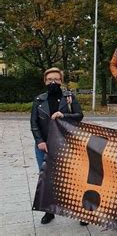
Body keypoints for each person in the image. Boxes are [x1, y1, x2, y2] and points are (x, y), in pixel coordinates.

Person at [30, 67, 84, 225]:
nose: (53, 82)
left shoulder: (69, 97)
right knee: (47, 179)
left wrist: (64, 115)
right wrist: (39, 140)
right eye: (49, 79)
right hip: (44, 145)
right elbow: (34, 123)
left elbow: (79, 116)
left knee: (74, 178)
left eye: (56, 79)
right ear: (45, 81)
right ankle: (49, 211)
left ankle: (80, 212)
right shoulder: (39, 100)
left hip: (67, 144)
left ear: (61, 81)